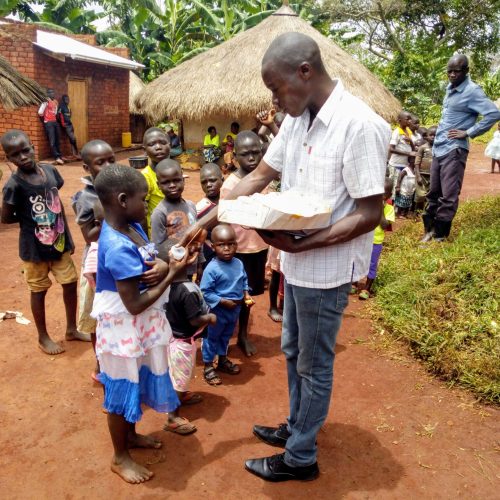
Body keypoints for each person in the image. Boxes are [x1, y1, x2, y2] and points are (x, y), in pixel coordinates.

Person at [183, 32, 390, 482]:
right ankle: (298, 428)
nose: (274, 99)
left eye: (276, 89)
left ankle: (300, 458)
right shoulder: (297, 119)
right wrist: (200, 226)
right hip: (295, 261)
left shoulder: (360, 125)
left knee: (313, 365)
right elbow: (259, 175)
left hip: (324, 266)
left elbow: (369, 213)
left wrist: (306, 244)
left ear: (305, 71)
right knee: (295, 351)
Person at [91, 164, 196, 484]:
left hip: (138, 324)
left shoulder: (131, 227)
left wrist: (161, 262)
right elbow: (134, 303)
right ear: (123, 200)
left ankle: (131, 438)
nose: (146, 204)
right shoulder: (116, 246)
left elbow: (149, 252)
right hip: (124, 326)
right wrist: (170, 275)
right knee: (121, 389)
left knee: (135, 380)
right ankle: (119, 456)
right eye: (142, 198)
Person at [1, 129, 90, 355]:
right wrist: (28, 218)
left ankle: (71, 328)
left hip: (59, 243)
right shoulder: (14, 185)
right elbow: (5, 217)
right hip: (34, 250)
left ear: (32, 147)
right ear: (8, 159)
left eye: (25, 150)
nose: (22, 157)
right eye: (15, 155)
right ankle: (43, 336)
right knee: (38, 290)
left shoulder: (50, 171)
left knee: (70, 283)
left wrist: (66, 239)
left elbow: (54, 196)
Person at [424, 54, 500, 242]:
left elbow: (493, 113)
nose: (451, 75)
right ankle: (429, 230)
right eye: (449, 71)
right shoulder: (450, 89)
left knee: (448, 194)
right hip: (439, 147)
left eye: (455, 71)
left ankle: (440, 236)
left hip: (454, 149)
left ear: (466, 71)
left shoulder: (472, 91)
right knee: (433, 191)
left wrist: (468, 132)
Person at [220, 130, 269, 357]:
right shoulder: (231, 185)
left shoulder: (263, 180)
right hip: (238, 251)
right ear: (235, 156)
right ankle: (230, 336)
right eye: (245, 154)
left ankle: (242, 334)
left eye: (256, 153)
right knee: (234, 295)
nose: (251, 158)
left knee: (248, 295)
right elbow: (224, 222)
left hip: (258, 247)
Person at [71, 140, 115, 377]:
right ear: (87, 168)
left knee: (117, 310)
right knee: (96, 314)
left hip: (119, 260)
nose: (107, 166)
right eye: (100, 163)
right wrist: (110, 216)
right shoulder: (85, 197)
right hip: (96, 264)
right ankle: (100, 362)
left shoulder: (120, 187)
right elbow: (88, 236)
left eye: (111, 160)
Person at [164, 253, 216, 434]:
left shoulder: (166, 285)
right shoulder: (188, 291)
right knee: (179, 379)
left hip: (172, 338)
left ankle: (182, 397)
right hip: (183, 343)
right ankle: (172, 417)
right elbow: (195, 320)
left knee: (178, 374)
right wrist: (209, 317)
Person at [200, 224, 253, 385]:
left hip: (234, 309)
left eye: (231, 244)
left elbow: (243, 280)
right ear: (213, 246)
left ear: (236, 244)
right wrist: (223, 301)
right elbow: (205, 291)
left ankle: (222, 359)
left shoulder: (238, 263)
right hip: (218, 312)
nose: (227, 248)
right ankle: (208, 365)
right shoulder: (212, 268)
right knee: (212, 337)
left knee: (226, 336)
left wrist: (246, 294)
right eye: (221, 245)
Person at [150, 159, 204, 279]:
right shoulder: (159, 213)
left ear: (183, 180)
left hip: (191, 265)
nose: (172, 185)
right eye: (166, 182)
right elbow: (158, 248)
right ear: (159, 185)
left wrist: (200, 263)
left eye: (176, 180)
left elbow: (198, 237)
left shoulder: (191, 206)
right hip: (173, 271)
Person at [358, 178, 395, 300]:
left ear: (389, 195)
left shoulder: (389, 209)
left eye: (383, 194)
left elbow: (384, 225)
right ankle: (354, 283)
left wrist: (380, 209)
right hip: (363, 240)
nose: (380, 197)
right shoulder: (368, 205)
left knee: (372, 264)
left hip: (376, 242)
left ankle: (367, 288)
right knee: (357, 261)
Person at [141, 127, 171, 237]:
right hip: (156, 233)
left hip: (173, 228)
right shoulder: (145, 177)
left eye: (163, 143)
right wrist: (145, 241)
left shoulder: (174, 171)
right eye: (152, 144)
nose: (158, 147)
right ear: (144, 150)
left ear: (170, 145)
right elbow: (142, 214)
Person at [196, 163, 224, 269]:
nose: (208, 184)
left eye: (212, 180)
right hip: (210, 257)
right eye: (204, 182)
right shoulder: (200, 208)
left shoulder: (229, 202)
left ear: (222, 179)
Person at [388, 111, 415, 198]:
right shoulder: (396, 132)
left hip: (405, 165)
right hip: (396, 165)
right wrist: (408, 153)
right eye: (407, 119)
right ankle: (391, 207)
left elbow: (411, 148)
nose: (410, 121)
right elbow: (391, 149)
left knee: (401, 187)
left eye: (410, 119)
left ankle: (398, 208)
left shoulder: (408, 131)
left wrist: (411, 142)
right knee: (394, 189)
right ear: (400, 120)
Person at [415, 126, 437, 222]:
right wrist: (418, 176)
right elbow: (417, 163)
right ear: (426, 137)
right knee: (420, 196)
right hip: (422, 176)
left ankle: (426, 214)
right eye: (431, 135)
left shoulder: (439, 148)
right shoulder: (422, 148)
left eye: (435, 135)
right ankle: (417, 213)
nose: (433, 137)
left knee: (430, 196)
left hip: (433, 176)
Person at [38, 88, 64, 165]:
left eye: (53, 92)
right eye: (50, 93)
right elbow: (40, 112)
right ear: (47, 94)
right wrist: (45, 121)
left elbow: (55, 112)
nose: (52, 94)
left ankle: (59, 156)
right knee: (52, 141)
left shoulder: (55, 102)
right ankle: (56, 157)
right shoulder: (45, 102)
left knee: (57, 139)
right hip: (49, 123)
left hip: (55, 122)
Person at [57, 94, 80, 159]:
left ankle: (74, 153)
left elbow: (70, 115)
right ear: (63, 100)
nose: (68, 100)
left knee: (72, 139)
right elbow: (59, 115)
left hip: (70, 124)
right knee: (73, 138)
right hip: (66, 125)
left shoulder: (68, 107)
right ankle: (76, 152)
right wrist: (62, 123)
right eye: (66, 99)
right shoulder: (61, 106)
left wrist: (68, 120)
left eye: (68, 99)